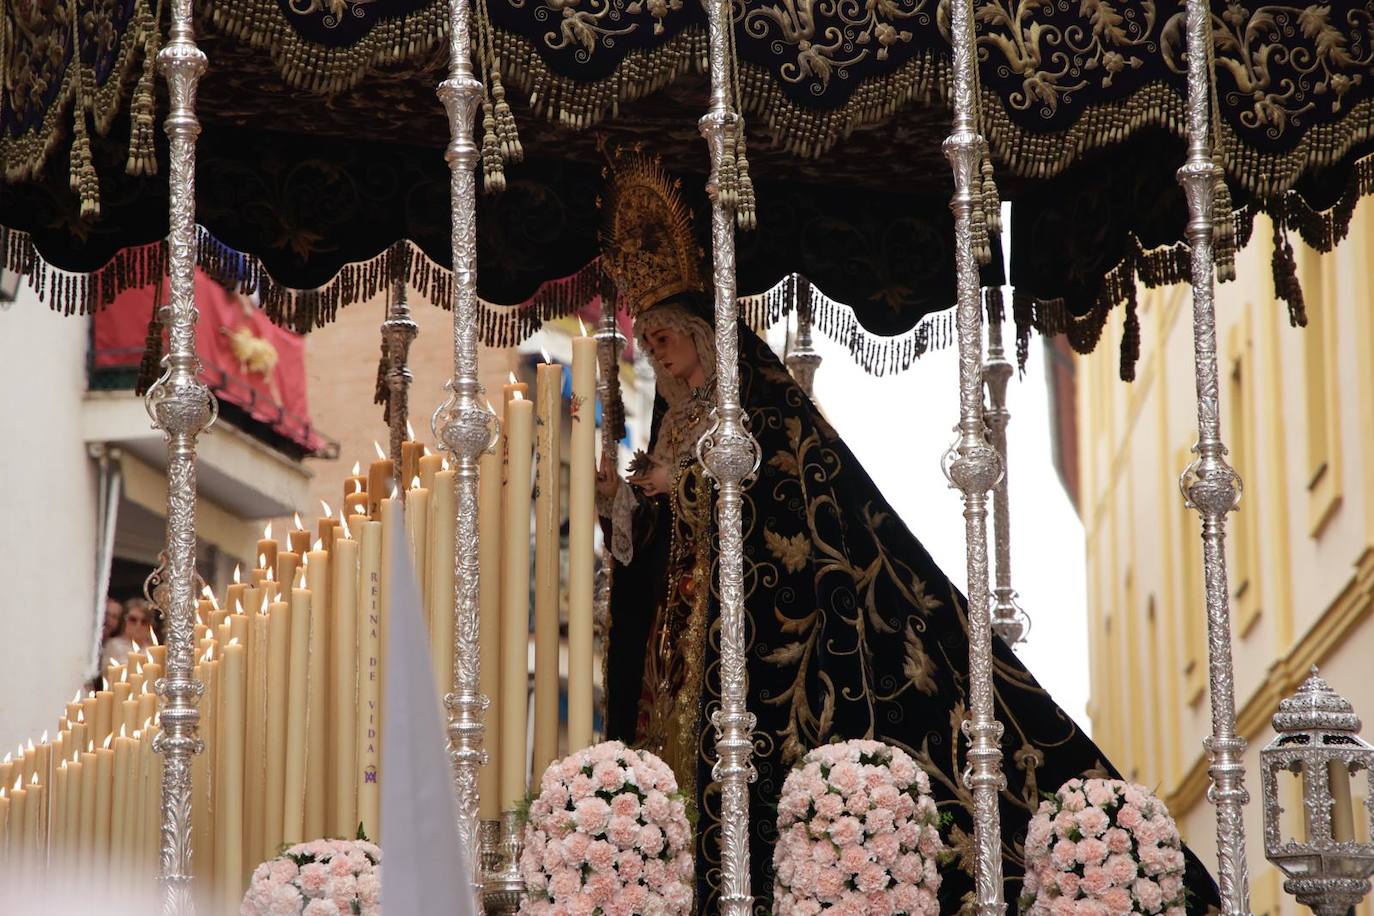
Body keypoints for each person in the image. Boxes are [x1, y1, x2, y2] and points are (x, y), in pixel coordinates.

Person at [593, 151, 1221, 913]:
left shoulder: (750, 412)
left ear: (702, 334)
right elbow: (655, 545)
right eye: (648, 339)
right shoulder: (670, 427)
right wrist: (625, 507)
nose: (655, 349)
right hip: (681, 637)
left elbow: (780, 505)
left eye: (666, 335)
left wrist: (685, 483)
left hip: (751, 638)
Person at [100, 598, 152, 673]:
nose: (138, 625)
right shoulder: (113, 645)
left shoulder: (154, 650)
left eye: (144, 621)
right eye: (133, 619)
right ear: (124, 621)